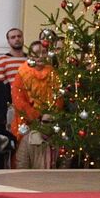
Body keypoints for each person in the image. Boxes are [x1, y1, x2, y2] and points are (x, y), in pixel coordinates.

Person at [10, 41, 60, 170]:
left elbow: (59, 99)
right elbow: (19, 101)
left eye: (43, 53)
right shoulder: (22, 74)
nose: (40, 56)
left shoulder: (54, 74)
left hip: (50, 121)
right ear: (30, 56)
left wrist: (48, 117)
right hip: (26, 121)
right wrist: (36, 117)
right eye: (36, 54)